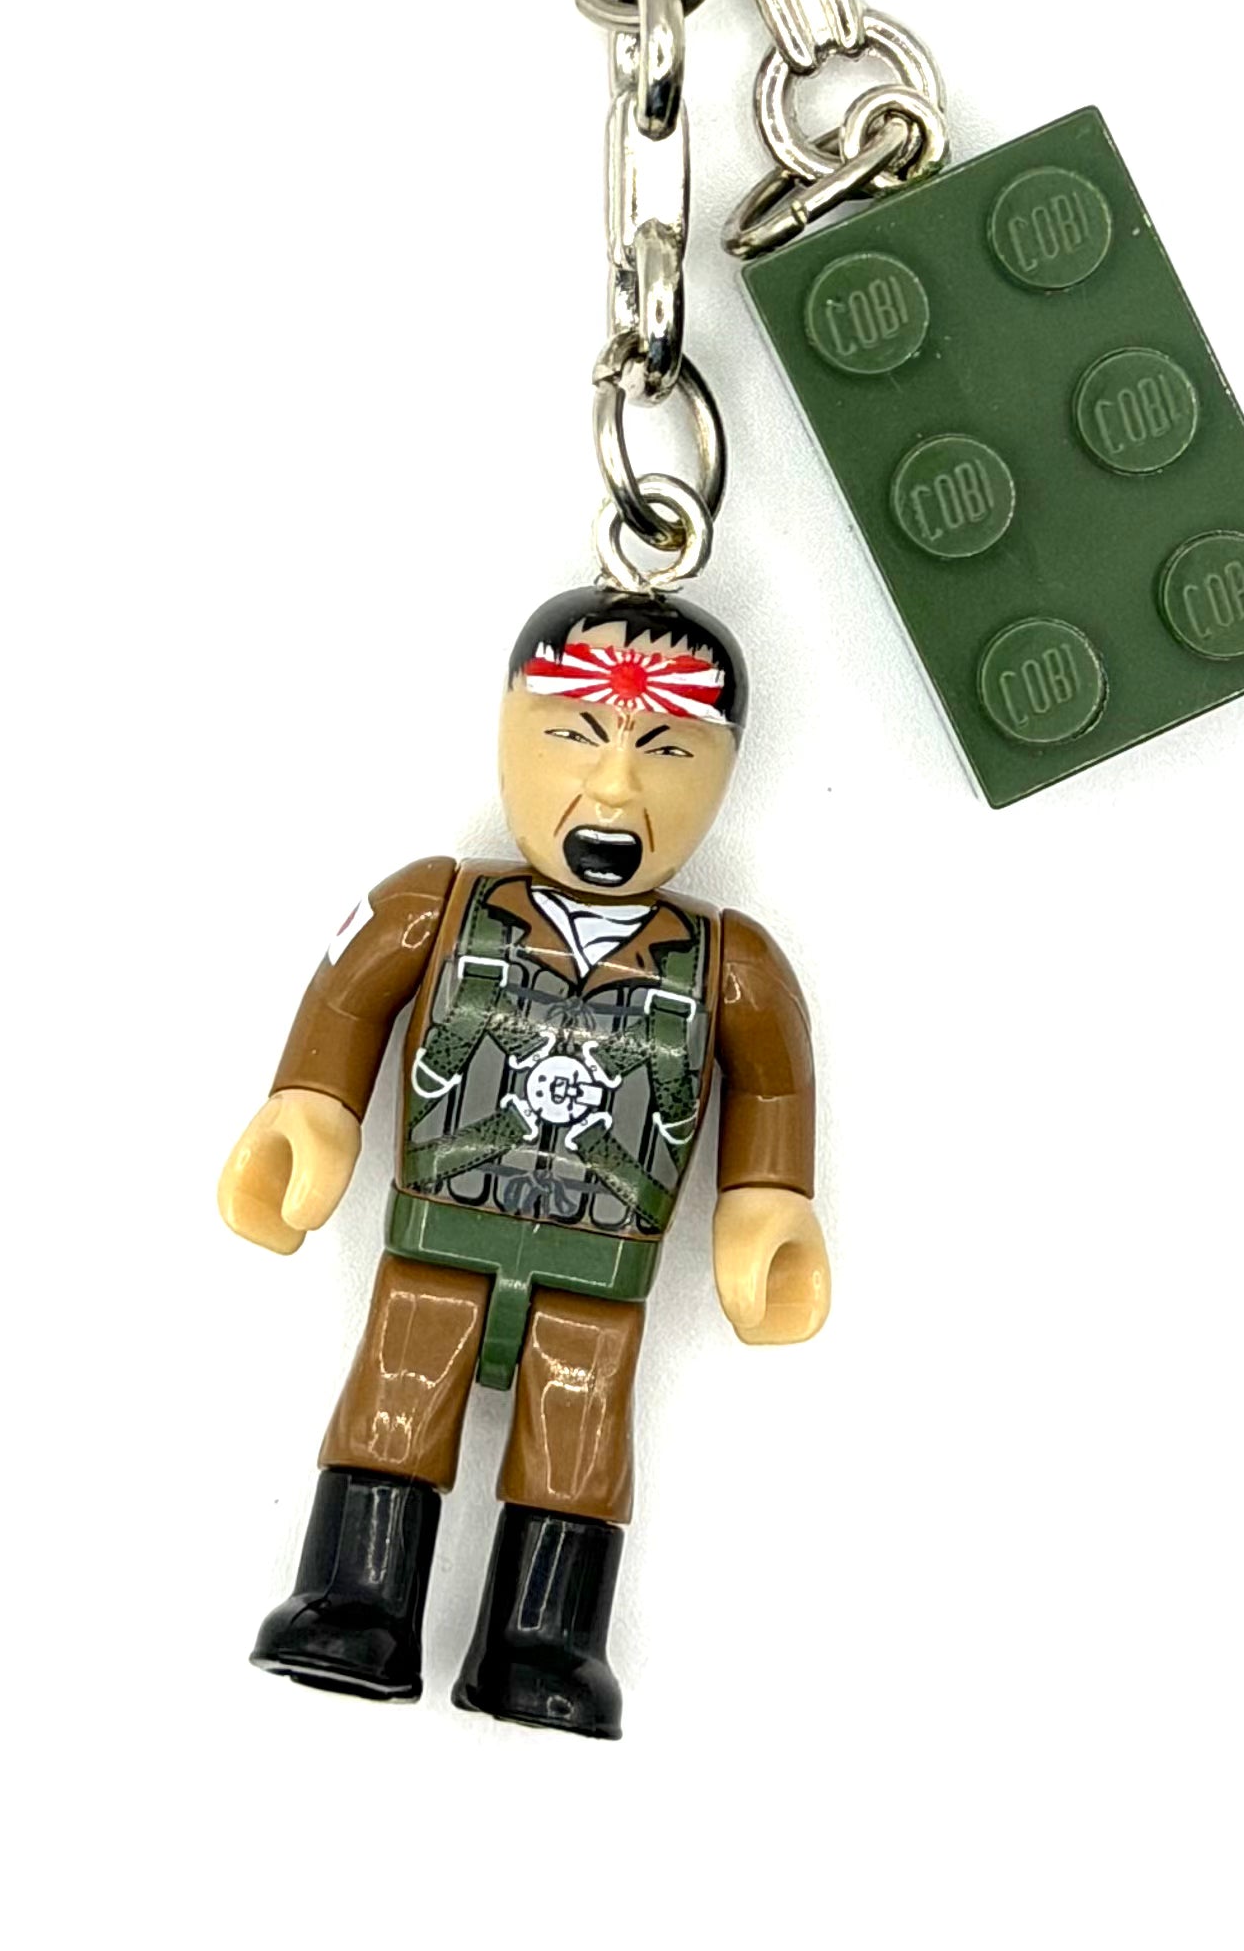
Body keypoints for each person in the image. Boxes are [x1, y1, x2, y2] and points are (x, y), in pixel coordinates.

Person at [219, 586, 828, 1736]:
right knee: (395, 1398)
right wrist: (307, 1112)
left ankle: (545, 1639)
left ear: (722, 772)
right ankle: (356, 1599)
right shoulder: (429, 908)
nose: (616, 788)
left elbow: (773, 1095)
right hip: (441, 1235)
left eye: (665, 750)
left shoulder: (734, 969)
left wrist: (768, 1211)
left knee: (579, 1431)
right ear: (509, 730)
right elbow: (343, 1008)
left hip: (600, 1272)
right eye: (575, 735)